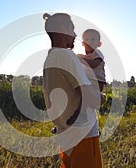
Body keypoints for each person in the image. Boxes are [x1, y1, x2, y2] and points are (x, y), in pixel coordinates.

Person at [43, 13, 103, 168]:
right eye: (72, 29)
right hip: (83, 135)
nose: (76, 35)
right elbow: (90, 97)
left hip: (65, 135)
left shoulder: (50, 59)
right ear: (63, 30)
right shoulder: (67, 55)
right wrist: (103, 97)